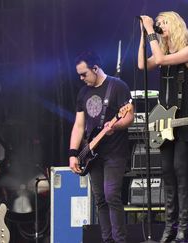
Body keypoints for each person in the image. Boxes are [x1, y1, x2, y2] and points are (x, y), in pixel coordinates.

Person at [137, 11, 188, 243]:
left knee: (180, 170)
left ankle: (185, 227)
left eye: (163, 23)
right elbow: (143, 64)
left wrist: (152, 30)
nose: (160, 25)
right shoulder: (161, 51)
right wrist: (145, 35)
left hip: (185, 120)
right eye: (158, 23)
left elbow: (161, 61)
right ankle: (169, 227)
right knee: (167, 174)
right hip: (165, 123)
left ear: (174, 25)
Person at [68, 51, 134, 243]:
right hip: (92, 153)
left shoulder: (117, 86)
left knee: (112, 194)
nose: (81, 78)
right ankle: (107, 240)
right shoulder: (83, 92)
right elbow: (79, 125)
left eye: (84, 74)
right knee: (100, 199)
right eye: (79, 75)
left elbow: (129, 115)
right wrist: (73, 154)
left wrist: (116, 126)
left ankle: (119, 240)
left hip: (115, 152)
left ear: (95, 69)